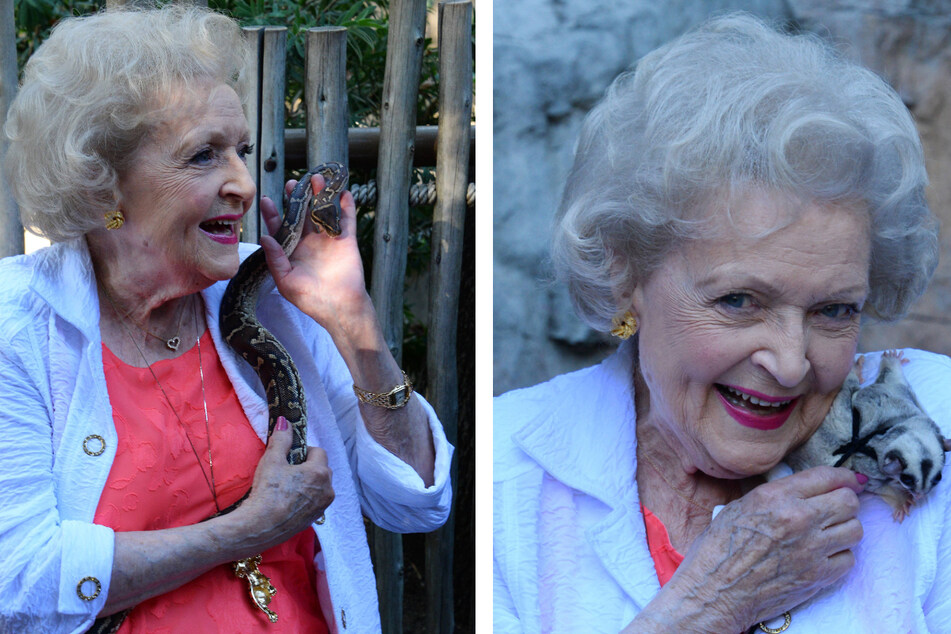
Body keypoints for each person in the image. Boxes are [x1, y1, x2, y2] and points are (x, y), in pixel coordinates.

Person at [493, 13, 951, 633]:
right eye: (740, 300)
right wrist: (709, 605)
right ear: (627, 275)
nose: (791, 363)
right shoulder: (507, 471)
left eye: (834, 310)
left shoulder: (934, 432)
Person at [0, 6, 452, 633]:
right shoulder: (17, 331)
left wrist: (355, 325)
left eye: (241, 150)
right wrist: (245, 531)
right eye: (203, 157)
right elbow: (19, 580)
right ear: (103, 186)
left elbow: (412, 502)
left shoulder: (274, 296)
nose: (243, 182)